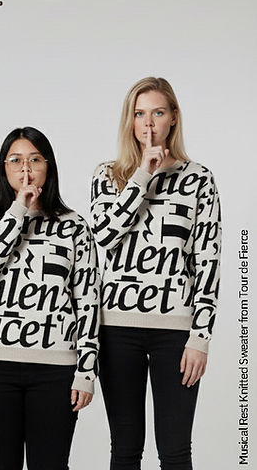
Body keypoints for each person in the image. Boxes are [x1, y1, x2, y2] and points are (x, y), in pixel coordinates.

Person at [91, 76, 221, 470]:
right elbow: (103, 234)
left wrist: (201, 337)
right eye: (140, 114)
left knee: (176, 450)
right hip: (116, 329)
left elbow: (208, 262)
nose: (148, 124)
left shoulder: (199, 179)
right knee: (126, 449)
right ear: (130, 121)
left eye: (158, 113)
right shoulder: (107, 175)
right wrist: (141, 177)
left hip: (176, 332)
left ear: (173, 119)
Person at [0, 126, 100, 469]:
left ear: (48, 166)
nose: (26, 169)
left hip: (55, 371)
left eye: (35, 159)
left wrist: (86, 371)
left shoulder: (74, 226)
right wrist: (17, 211)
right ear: (4, 169)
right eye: (16, 160)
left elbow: (87, 301)